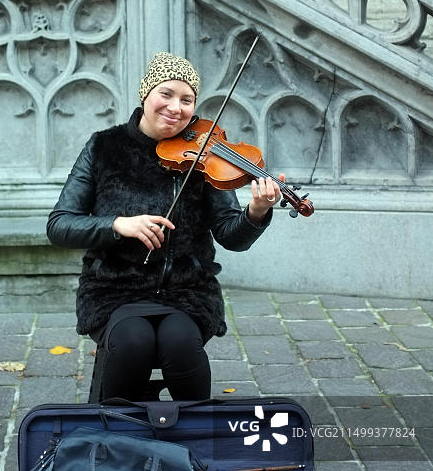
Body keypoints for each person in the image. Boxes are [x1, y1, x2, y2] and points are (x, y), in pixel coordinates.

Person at [46, 52, 284, 401]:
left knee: (181, 345)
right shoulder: (104, 147)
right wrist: (118, 225)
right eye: (166, 94)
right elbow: (60, 225)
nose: (176, 107)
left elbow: (231, 236)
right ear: (146, 94)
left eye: (187, 99)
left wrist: (257, 211)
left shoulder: (206, 155)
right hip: (115, 291)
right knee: (132, 343)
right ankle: (118, 437)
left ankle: (195, 440)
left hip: (187, 292)